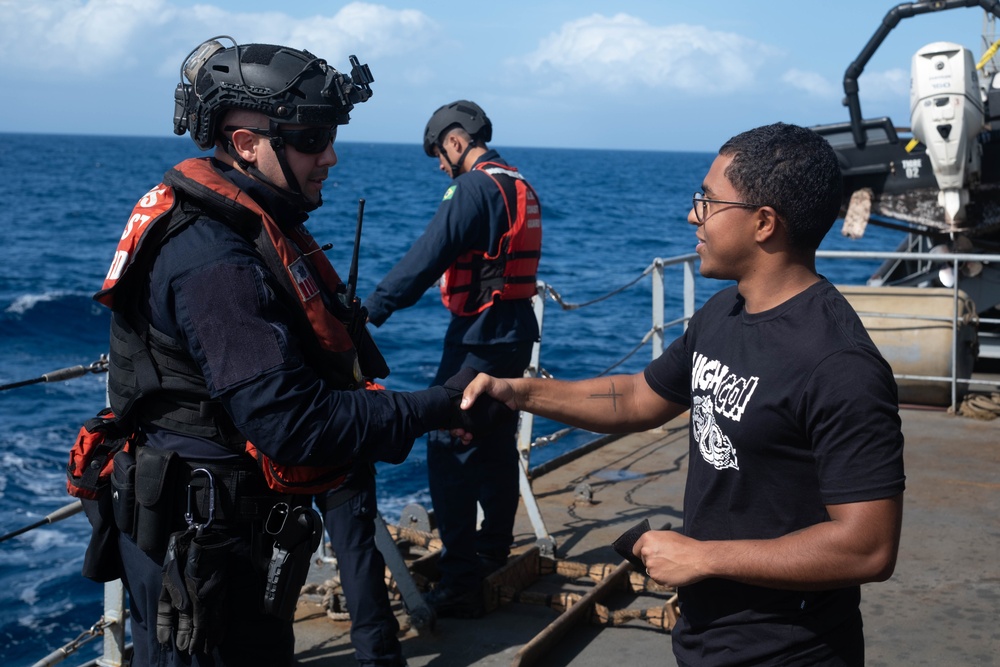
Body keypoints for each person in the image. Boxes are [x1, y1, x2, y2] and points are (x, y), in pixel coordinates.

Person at [93, 38, 507, 667]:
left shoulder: (241, 223)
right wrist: (439, 408)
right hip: (204, 554)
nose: (331, 156)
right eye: (312, 137)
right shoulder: (211, 258)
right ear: (244, 143)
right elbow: (293, 422)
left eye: (330, 135)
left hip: (232, 541)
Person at [458, 123, 905, 665]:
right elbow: (636, 398)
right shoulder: (725, 312)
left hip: (790, 649)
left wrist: (704, 558)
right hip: (705, 634)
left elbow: (868, 546)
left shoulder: (839, 365)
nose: (693, 215)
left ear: (764, 223)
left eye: (708, 201)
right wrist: (517, 392)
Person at [363, 100, 542, 618]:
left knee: (451, 442)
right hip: (514, 329)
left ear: (457, 141)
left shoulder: (472, 188)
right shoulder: (518, 183)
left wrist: (370, 311)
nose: (441, 165)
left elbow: (427, 255)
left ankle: (461, 578)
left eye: (440, 154)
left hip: (478, 336)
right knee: (495, 435)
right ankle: (492, 547)